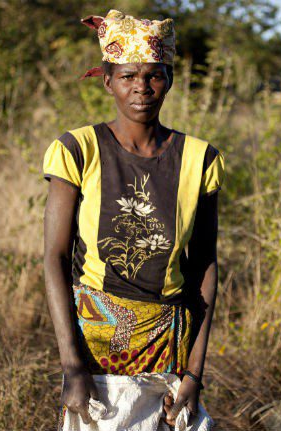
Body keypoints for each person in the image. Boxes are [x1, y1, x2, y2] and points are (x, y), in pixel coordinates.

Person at [41, 9, 225, 430]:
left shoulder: (200, 159)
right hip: (95, 353)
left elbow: (204, 267)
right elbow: (54, 257)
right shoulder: (78, 150)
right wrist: (72, 367)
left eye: (154, 75)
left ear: (170, 79)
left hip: (170, 352)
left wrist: (194, 373)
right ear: (107, 80)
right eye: (128, 76)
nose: (142, 88)